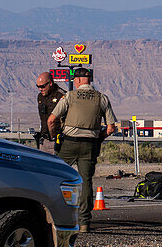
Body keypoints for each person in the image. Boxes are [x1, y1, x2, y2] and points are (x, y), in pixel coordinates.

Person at [47, 68, 117, 232]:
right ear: (89, 80)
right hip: (89, 145)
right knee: (86, 181)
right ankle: (84, 222)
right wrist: (98, 138)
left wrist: (55, 136)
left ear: (77, 80)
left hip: (69, 143)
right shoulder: (102, 98)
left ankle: (53, 215)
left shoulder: (70, 96)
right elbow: (111, 128)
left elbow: (51, 120)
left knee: (56, 176)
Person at [34, 72, 65, 154]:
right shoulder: (40, 97)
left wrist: (55, 136)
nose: (40, 89)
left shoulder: (61, 96)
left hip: (57, 141)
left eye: (42, 86)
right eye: (38, 87)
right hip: (44, 140)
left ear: (50, 83)